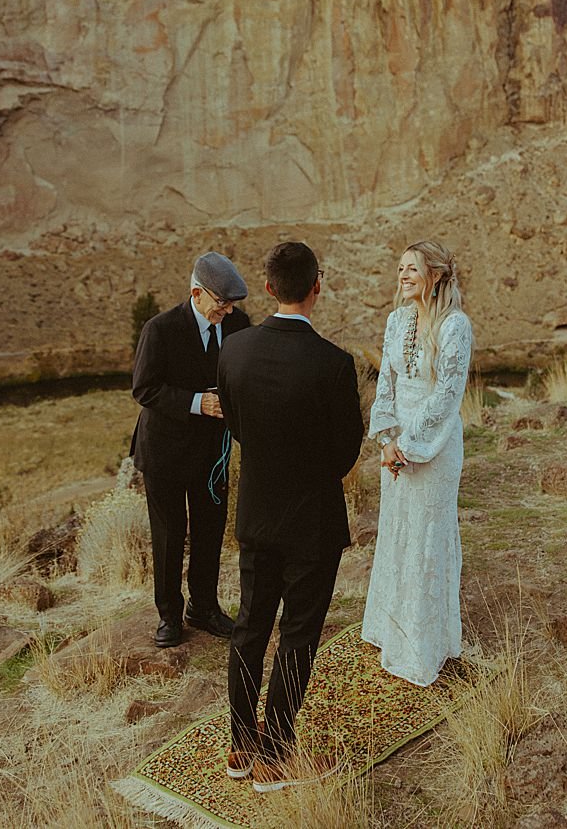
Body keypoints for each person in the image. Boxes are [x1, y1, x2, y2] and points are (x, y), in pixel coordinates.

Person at [217, 242, 363, 791]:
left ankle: (239, 746)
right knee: (299, 634)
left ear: (270, 287)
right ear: (316, 287)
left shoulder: (233, 352)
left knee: (250, 626)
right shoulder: (334, 363)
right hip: (312, 523)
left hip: (256, 512)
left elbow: (234, 424)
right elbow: (346, 452)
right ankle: (275, 756)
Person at [362, 239, 473, 687]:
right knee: (397, 534)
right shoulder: (396, 320)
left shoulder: (455, 326)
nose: (403, 276)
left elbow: (447, 395)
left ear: (436, 275)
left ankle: (424, 646)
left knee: (427, 538)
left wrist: (409, 444)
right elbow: (384, 383)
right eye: (400, 269)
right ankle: (391, 631)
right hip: (397, 448)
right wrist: (387, 439)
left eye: (412, 269)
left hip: (434, 447)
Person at [130, 252, 250, 648]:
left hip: (211, 455)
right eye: (221, 302)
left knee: (209, 532)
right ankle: (168, 616)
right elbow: (144, 389)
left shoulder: (237, 325)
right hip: (164, 453)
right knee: (168, 537)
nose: (228, 310)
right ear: (197, 293)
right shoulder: (159, 329)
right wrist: (199, 402)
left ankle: (203, 607)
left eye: (232, 303)